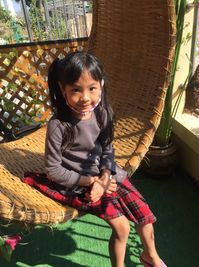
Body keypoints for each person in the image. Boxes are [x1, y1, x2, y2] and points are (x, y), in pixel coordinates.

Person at [44, 51, 167, 267]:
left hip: (106, 174)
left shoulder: (102, 113)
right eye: (75, 90)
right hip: (79, 183)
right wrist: (92, 182)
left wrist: (105, 175)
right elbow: (53, 170)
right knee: (122, 227)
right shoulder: (58, 125)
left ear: (100, 85)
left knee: (145, 215)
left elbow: (108, 150)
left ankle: (151, 257)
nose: (85, 97)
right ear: (63, 91)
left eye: (92, 88)